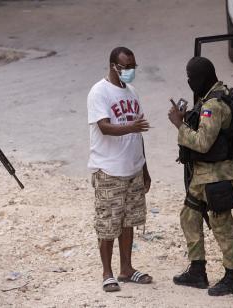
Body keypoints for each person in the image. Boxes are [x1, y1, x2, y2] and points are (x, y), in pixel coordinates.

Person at [167, 56, 233, 296]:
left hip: (217, 174)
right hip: (204, 174)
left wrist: (179, 124)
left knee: (221, 224)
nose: (190, 83)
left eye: (191, 78)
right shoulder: (214, 95)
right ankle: (197, 270)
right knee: (189, 215)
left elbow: (202, 142)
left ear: (200, 78)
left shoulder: (213, 105)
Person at [87, 46, 153, 292]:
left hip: (133, 169)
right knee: (108, 224)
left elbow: (140, 133)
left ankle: (127, 268)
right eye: (126, 67)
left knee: (129, 221)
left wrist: (145, 168)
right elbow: (104, 127)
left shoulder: (133, 92)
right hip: (108, 169)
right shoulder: (99, 92)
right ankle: (107, 272)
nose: (130, 71)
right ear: (114, 66)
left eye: (133, 66)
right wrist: (131, 128)